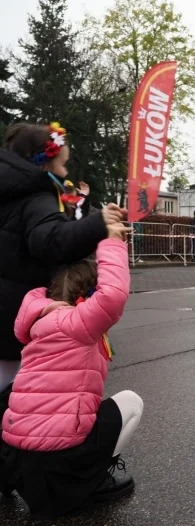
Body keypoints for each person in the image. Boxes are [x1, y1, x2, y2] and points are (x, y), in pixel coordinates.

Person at [0, 231, 143, 517]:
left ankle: (7, 476)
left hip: (20, 463)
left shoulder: (35, 325)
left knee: (13, 393)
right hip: (59, 464)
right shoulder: (79, 322)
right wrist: (112, 241)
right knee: (131, 401)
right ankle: (95, 478)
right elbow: (113, 294)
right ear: (88, 297)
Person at [0, 122, 123, 392]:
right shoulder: (35, 196)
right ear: (45, 164)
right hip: (11, 319)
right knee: (17, 394)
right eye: (63, 164)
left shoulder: (9, 192)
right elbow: (52, 241)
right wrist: (99, 223)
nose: (65, 172)